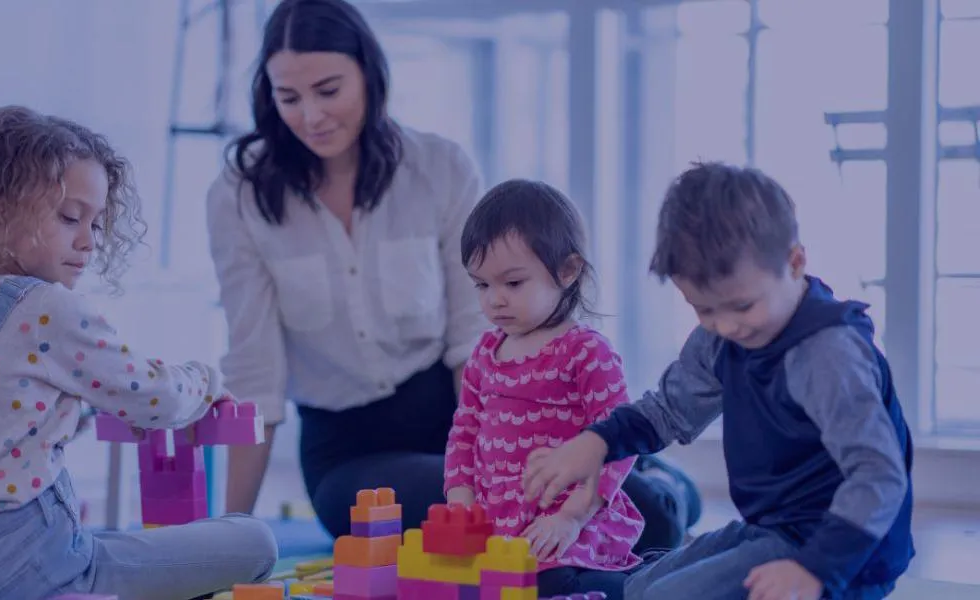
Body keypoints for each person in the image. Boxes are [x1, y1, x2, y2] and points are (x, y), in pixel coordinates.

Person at [207, 0, 701, 550]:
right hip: (349, 452)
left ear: (370, 76)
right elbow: (255, 372)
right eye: (288, 97)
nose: (311, 117)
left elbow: (476, 337)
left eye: (328, 90)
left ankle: (655, 484)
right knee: (479, 525)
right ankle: (651, 485)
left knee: (632, 513)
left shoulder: (439, 166)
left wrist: (499, 459)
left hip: (466, 417)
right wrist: (231, 534)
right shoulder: (238, 197)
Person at [0, 106, 277, 599]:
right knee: (255, 541)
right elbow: (156, 397)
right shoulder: (43, 306)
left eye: (96, 225)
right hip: (40, 573)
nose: (88, 242)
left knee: (121, 541)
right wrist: (206, 381)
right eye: (71, 217)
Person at [523, 162, 915, 600]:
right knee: (641, 587)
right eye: (703, 309)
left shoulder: (827, 354)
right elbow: (669, 411)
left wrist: (815, 570)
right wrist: (594, 443)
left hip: (843, 553)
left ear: (795, 262)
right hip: (775, 528)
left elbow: (878, 476)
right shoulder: (720, 336)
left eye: (742, 306)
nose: (725, 326)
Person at [445, 179, 642, 599]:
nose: (494, 300)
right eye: (481, 285)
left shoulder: (586, 352)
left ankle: (654, 578)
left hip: (571, 521)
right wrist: (460, 502)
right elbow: (464, 433)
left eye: (513, 284)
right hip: (500, 527)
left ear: (567, 272)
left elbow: (620, 441)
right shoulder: (483, 353)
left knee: (550, 582)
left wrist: (571, 517)